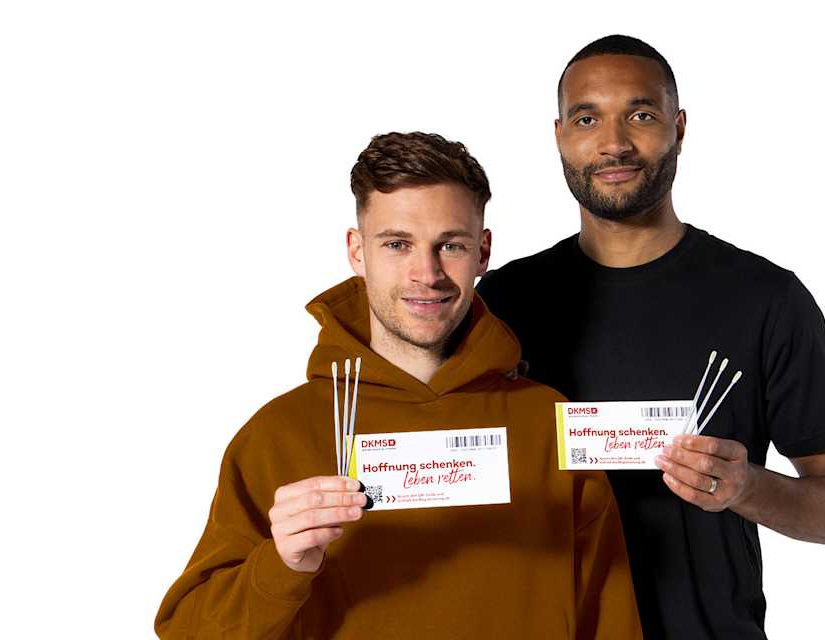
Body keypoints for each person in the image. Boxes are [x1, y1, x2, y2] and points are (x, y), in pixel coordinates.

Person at [155, 132, 642, 638]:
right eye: (397, 244)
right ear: (356, 250)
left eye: (450, 245)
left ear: (483, 252)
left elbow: (610, 616)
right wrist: (280, 565)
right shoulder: (278, 435)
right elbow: (187, 631)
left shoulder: (549, 423)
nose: (426, 273)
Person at [476, 35, 825, 639]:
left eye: (641, 115)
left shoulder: (764, 299)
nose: (614, 143)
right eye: (588, 118)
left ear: (679, 126)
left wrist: (747, 487)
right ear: (560, 134)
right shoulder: (499, 305)